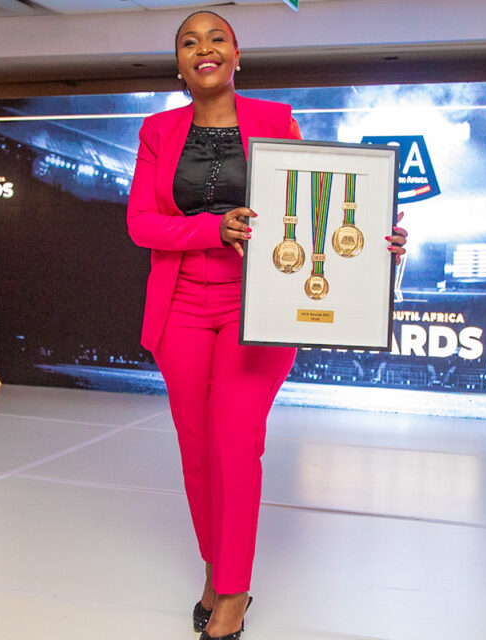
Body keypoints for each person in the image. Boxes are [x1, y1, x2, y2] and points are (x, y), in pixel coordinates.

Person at [126, 10, 407, 640]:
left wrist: (371, 245)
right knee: (197, 455)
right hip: (179, 308)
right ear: (179, 64)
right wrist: (209, 228)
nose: (205, 48)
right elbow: (141, 223)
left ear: (236, 55)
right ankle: (215, 567)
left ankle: (232, 594)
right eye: (189, 42)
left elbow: (315, 209)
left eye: (216, 38)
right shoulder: (157, 131)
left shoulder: (275, 121)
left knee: (234, 444)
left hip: (260, 306)